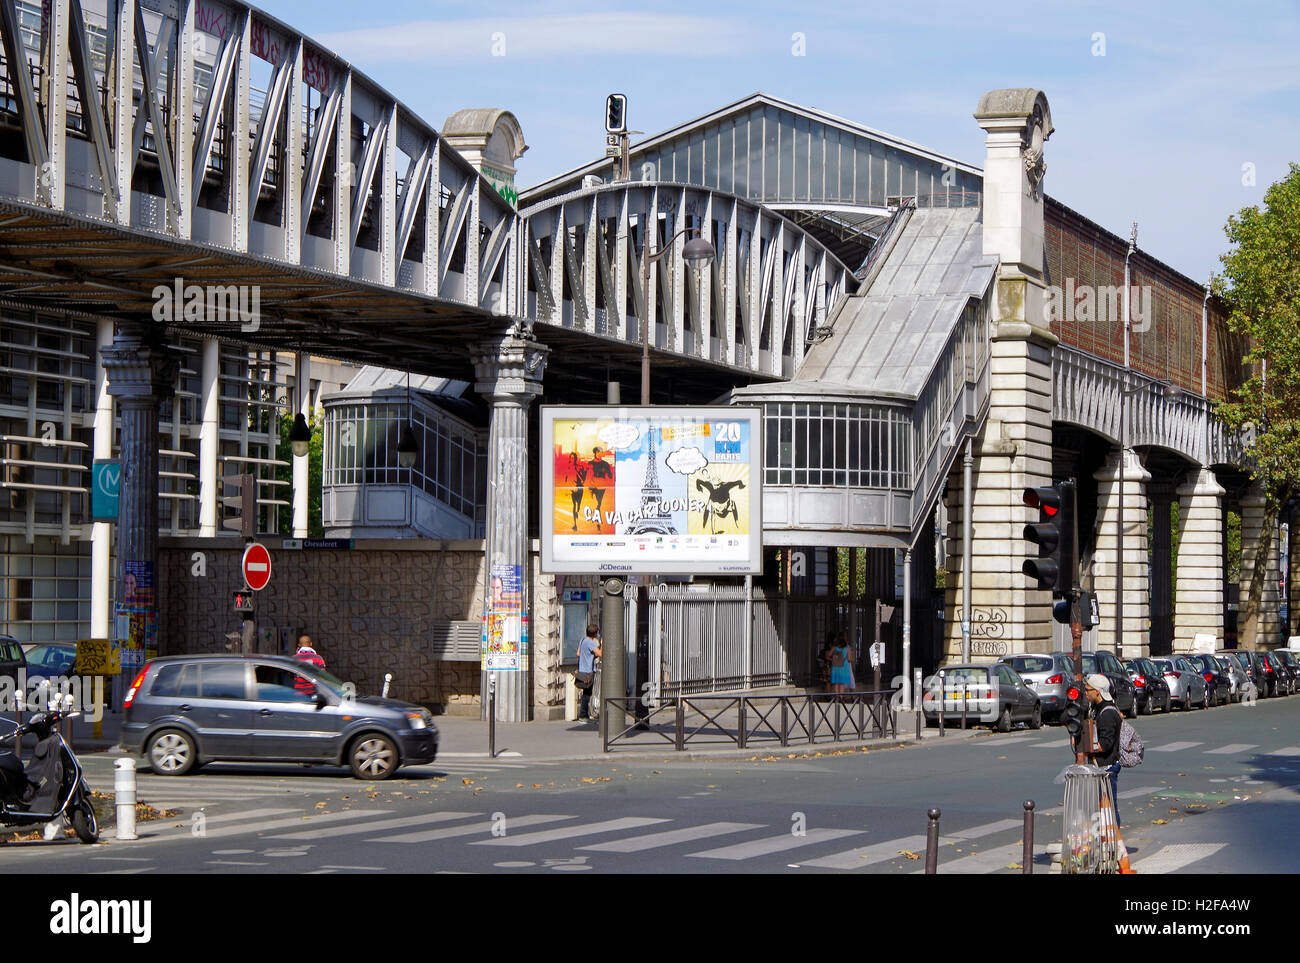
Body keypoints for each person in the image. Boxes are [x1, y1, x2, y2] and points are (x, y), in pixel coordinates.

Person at [1075, 673, 1123, 824]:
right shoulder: (1098, 709)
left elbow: (1106, 744)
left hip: (1106, 767)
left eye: (1088, 690)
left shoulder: (1107, 713)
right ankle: (1107, 838)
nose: (1086, 693)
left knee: (1108, 807)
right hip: (1102, 767)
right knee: (1103, 807)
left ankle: (1114, 839)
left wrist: (1087, 747)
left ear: (1097, 692)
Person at [576, 624, 602, 722]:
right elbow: (600, 654)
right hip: (588, 672)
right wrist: (602, 645)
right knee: (587, 693)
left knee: (585, 693)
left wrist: (589, 656)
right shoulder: (590, 642)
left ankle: (584, 714)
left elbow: (578, 653)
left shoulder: (582, 640)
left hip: (582, 670)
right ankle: (583, 715)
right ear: (595, 634)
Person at [829, 632, 854, 699]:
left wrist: (834, 658)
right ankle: (841, 697)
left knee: (836, 682)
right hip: (844, 666)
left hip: (835, 666)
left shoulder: (835, 647)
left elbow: (829, 655)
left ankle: (837, 697)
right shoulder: (847, 647)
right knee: (842, 683)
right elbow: (849, 659)